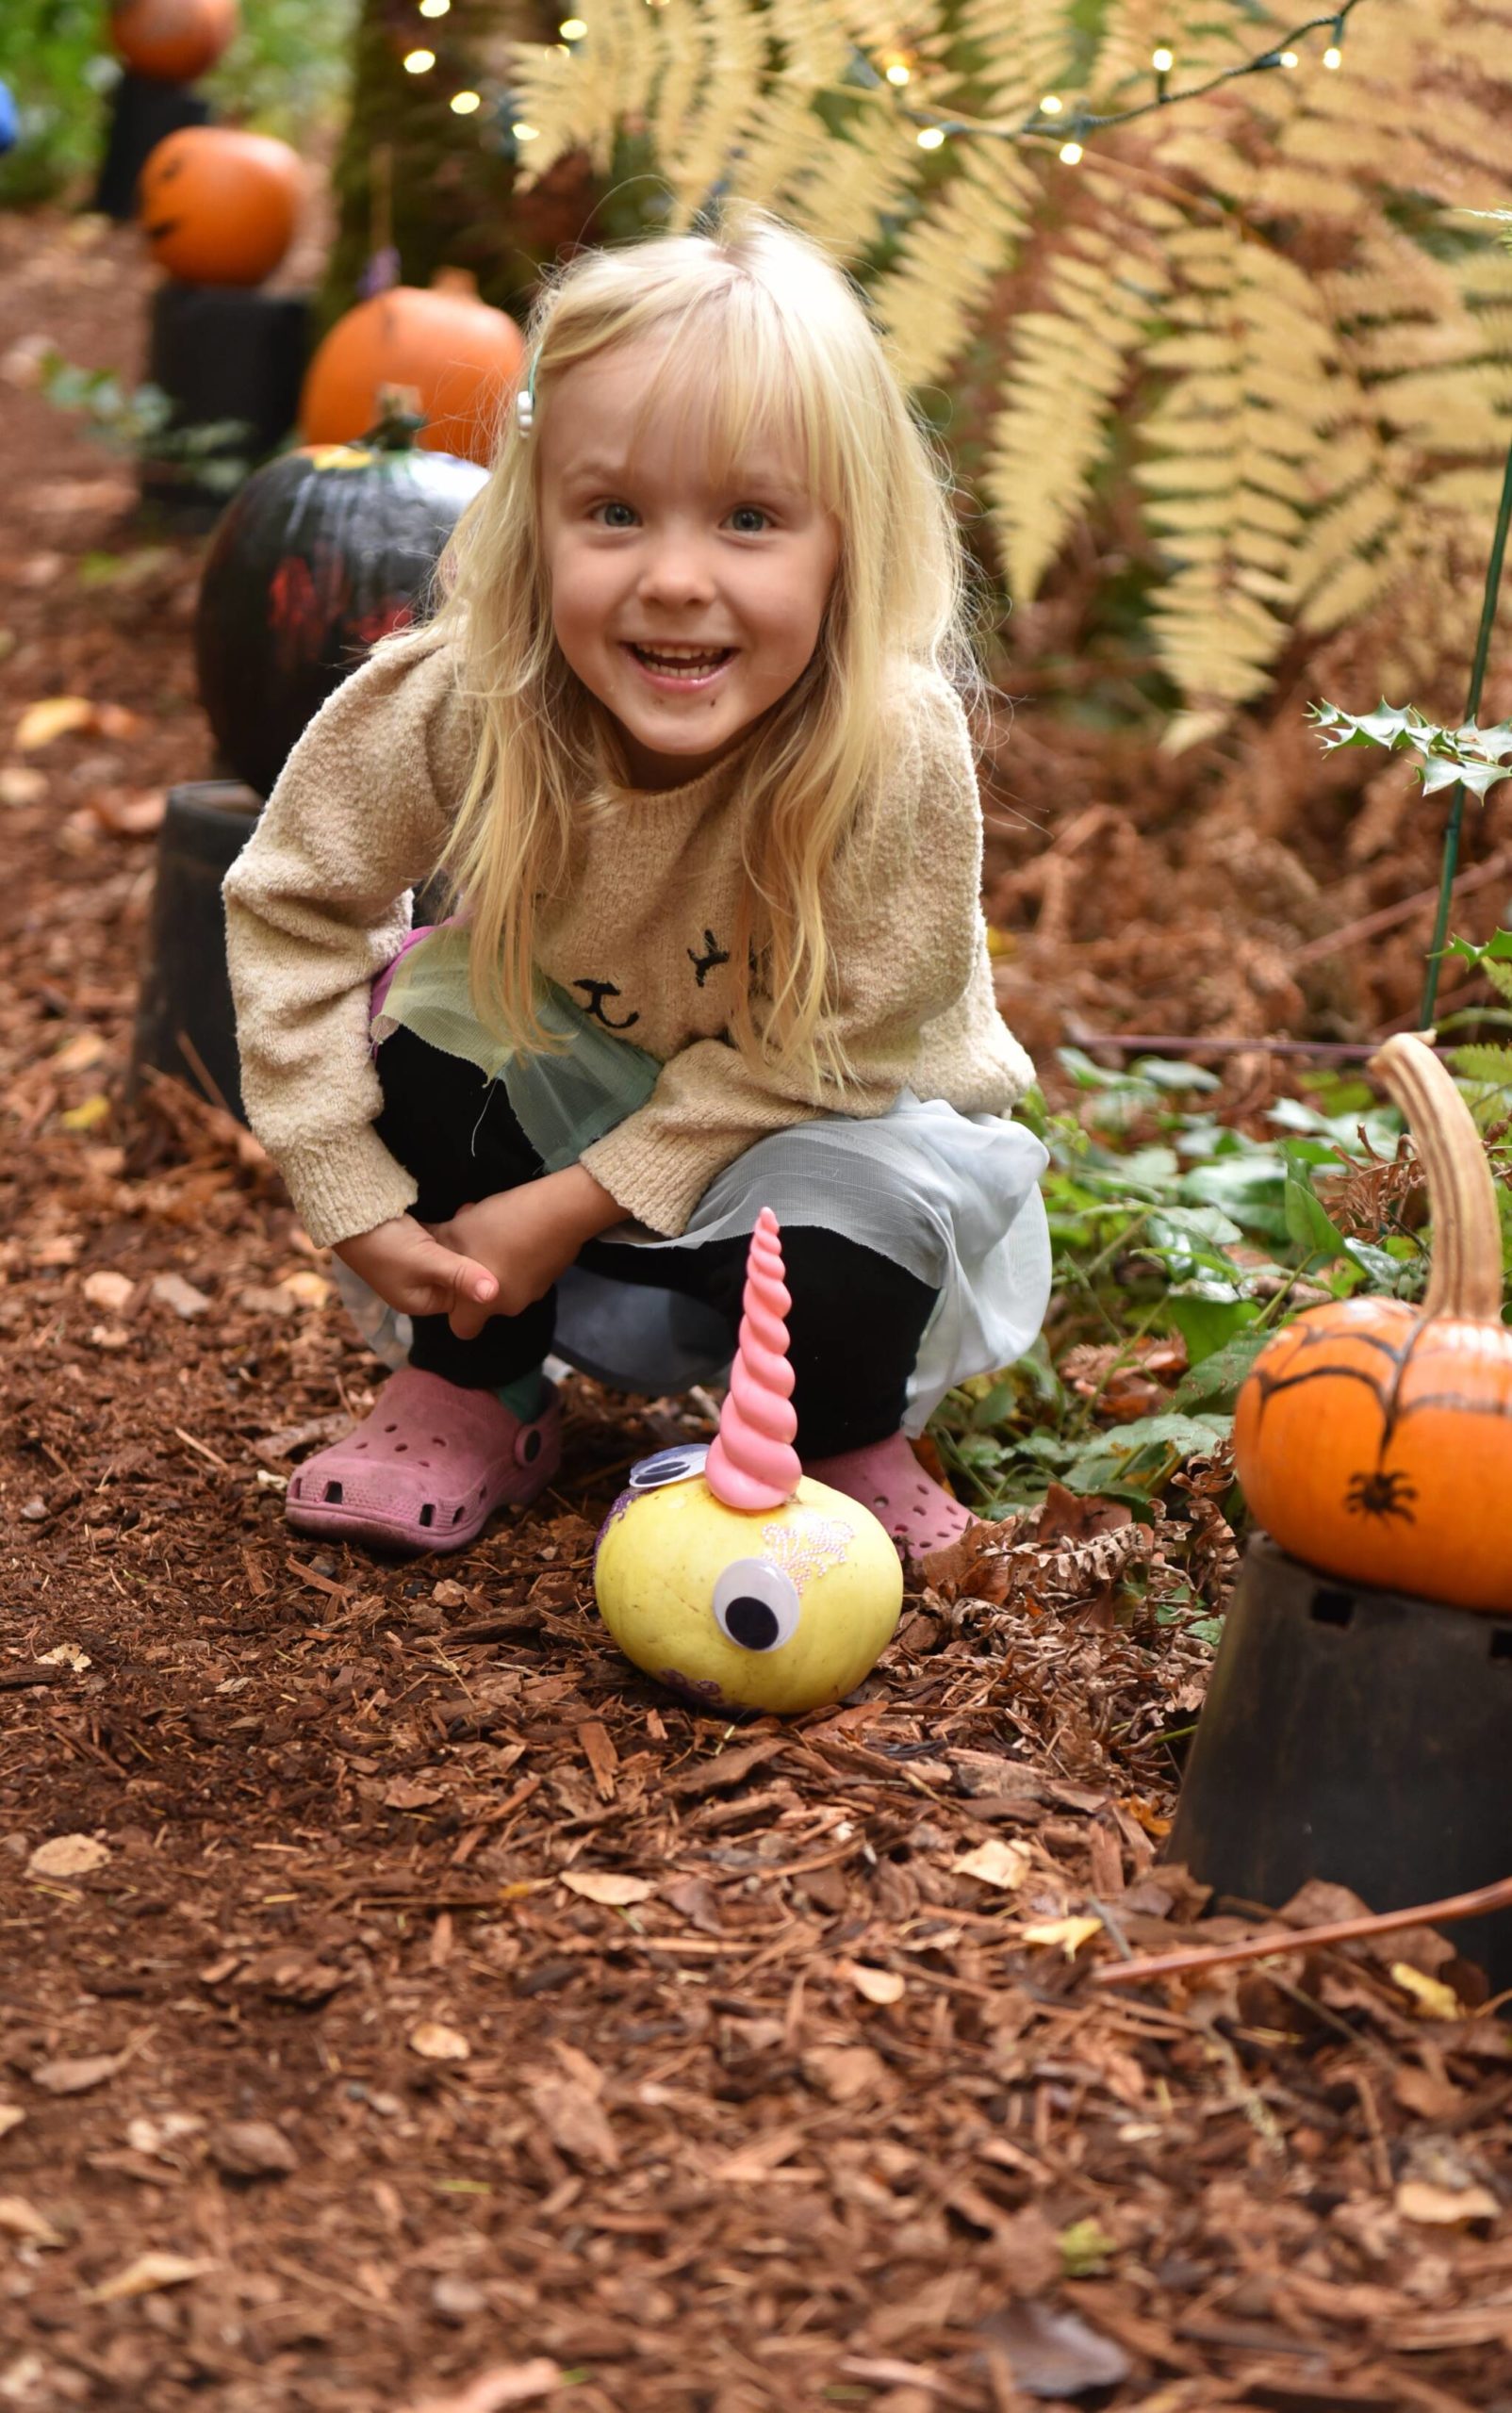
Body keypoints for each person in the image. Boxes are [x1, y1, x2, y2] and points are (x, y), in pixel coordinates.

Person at [223, 211, 1050, 1562]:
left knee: (861, 1214)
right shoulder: (467, 697)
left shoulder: (887, 748)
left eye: (749, 519)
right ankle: (471, 1378)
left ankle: (835, 1433)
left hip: (803, 1124)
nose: (675, 580)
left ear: (848, 537)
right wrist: (346, 1184)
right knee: (436, 1037)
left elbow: (844, 1049)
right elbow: (296, 900)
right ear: (532, 518)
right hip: (564, 1091)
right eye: (612, 513)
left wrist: (571, 1205)